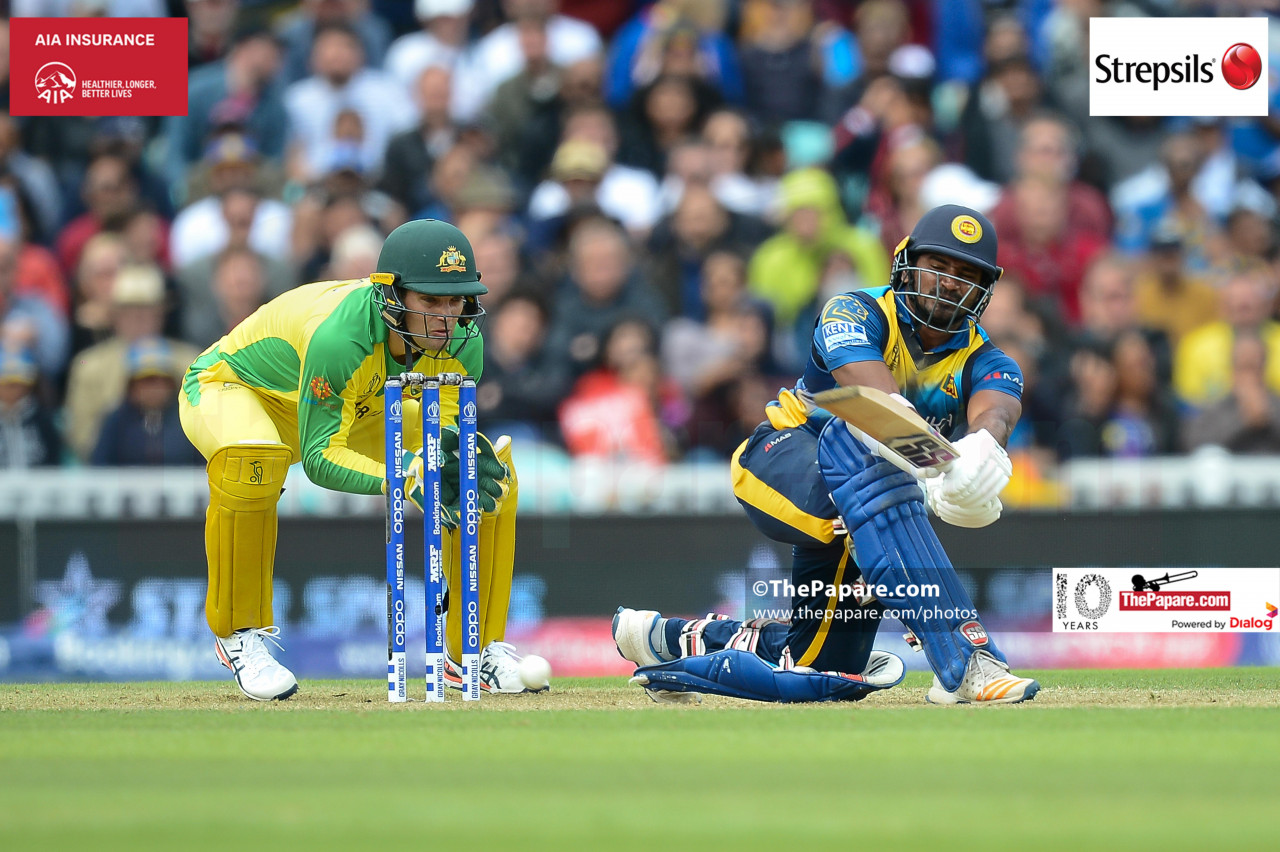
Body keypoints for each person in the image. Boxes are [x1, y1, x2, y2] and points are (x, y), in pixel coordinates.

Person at [614, 205, 1041, 705]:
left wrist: (981, 451)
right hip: (782, 458)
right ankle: (966, 659)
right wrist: (937, 474)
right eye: (938, 266)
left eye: (965, 276)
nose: (948, 283)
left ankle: (668, 638)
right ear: (905, 264)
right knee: (862, 443)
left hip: (864, 509)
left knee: (822, 665)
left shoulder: (990, 361)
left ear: (985, 290)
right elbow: (874, 405)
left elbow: (997, 412)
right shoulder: (854, 311)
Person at [178, 219, 527, 701]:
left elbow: (444, 439)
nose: (447, 318)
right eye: (430, 301)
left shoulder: (463, 341)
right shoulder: (341, 339)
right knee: (252, 458)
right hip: (237, 390)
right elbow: (320, 457)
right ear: (393, 296)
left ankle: (472, 650)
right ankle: (238, 633)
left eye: (456, 300)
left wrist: (444, 464)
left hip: (356, 403)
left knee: (483, 472)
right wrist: (404, 476)